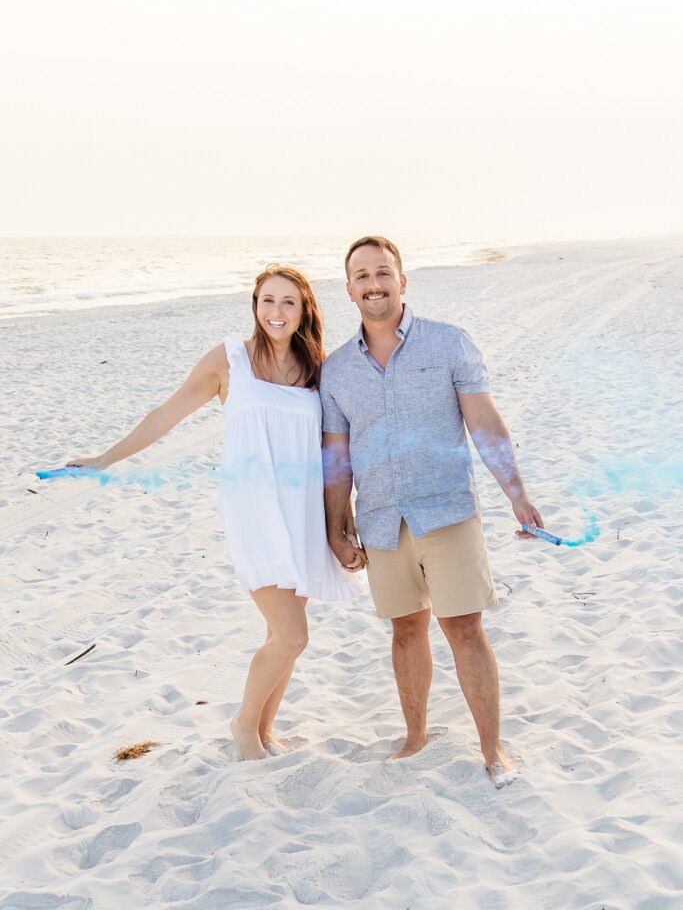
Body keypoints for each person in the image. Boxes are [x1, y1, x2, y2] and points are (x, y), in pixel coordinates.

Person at [67, 264, 365, 761]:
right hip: (253, 507)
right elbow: (166, 414)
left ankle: (266, 730)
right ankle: (244, 725)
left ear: (304, 309)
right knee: (292, 635)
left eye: (288, 302)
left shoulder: (319, 366)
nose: (276, 312)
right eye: (267, 301)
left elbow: (337, 448)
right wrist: (103, 459)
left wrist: (342, 518)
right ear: (254, 306)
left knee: (282, 634)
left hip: (303, 508)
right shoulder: (230, 360)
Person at [320, 236, 543, 787]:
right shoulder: (338, 370)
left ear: (402, 279)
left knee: (465, 628)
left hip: (446, 510)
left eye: (383, 272)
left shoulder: (448, 344)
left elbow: (485, 423)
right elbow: (336, 456)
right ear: (349, 289)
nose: (374, 283)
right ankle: (415, 735)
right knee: (405, 630)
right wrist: (337, 525)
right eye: (363, 275)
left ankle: (493, 751)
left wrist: (516, 493)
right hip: (380, 519)